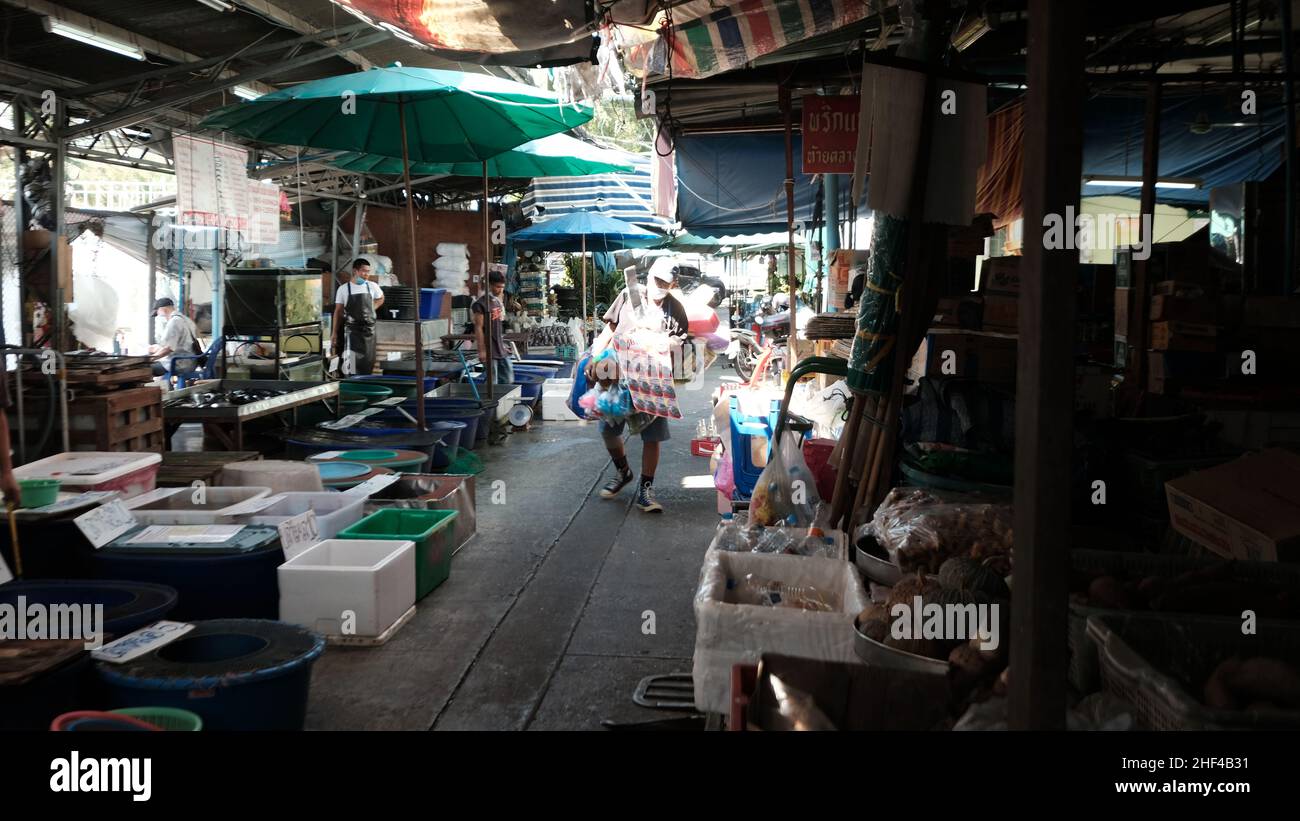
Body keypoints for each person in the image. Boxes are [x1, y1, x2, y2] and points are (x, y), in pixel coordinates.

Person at [593, 264, 690, 514]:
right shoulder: (628, 296)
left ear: (673, 285)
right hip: (618, 376)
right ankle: (623, 471)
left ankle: (646, 489)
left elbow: (679, 345)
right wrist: (594, 357)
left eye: (665, 283)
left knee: (653, 435)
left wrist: (656, 342)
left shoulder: (674, 309)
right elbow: (610, 329)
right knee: (608, 429)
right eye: (657, 280)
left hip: (652, 380)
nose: (660, 286)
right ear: (649, 277)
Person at [332, 258, 384, 377]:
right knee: (351, 364)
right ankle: (351, 383)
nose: (367, 275)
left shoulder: (372, 286)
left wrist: (373, 307)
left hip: (369, 333)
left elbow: (381, 298)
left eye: (368, 272)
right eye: (364, 271)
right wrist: (334, 333)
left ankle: (365, 381)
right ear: (355, 271)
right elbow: (338, 311)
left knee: (368, 363)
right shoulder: (344, 289)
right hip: (352, 333)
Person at [472, 268, 513, 385]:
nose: (500, 290)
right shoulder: (480, 304)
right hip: (488, 348)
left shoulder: (497, 302)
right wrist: (482, 350)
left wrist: (502, 344)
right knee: (492, 381)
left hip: (500, 347)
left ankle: (502, 401)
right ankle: (490, 402)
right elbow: (479, 327)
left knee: (508, 378)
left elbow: (498, 326)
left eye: (502, 287)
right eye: (497, 287)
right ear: (489, 285)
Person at [149, 298, 199, 379]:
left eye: (158, 314)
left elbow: (169, 348)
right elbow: (180, 344)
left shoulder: (174, 322)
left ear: (163, 310)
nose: (159, 317)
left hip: (180, 364)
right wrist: (158, 349)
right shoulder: (186, 319)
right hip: (190, 361)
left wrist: (151, 358)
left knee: (144, 369)